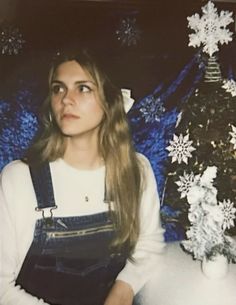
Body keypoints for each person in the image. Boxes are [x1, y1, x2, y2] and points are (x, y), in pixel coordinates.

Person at [0, 48, 165, 305]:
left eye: (83, 88)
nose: (66, 99)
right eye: (58, 89)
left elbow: (149, 245)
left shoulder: (136, 171)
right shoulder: (18, 179)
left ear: (111, 100)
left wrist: (123, 290)